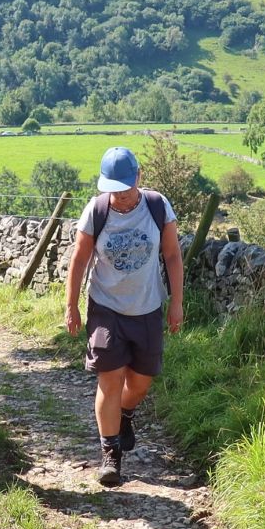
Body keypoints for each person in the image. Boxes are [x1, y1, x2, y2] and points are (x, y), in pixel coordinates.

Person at [64, 145, 184, 486]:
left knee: (141, 381)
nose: (119, 196)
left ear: (139, 178)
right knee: (110, 379)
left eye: (125, 189)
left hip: (147, 307)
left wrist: (176, 303)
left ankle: (125, 415)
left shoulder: (158, 206)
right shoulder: (97, 211)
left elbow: (173, 255)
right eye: (112, 190)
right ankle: (110, 455)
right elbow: (80, 259)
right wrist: (71, 305)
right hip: (105, 308)